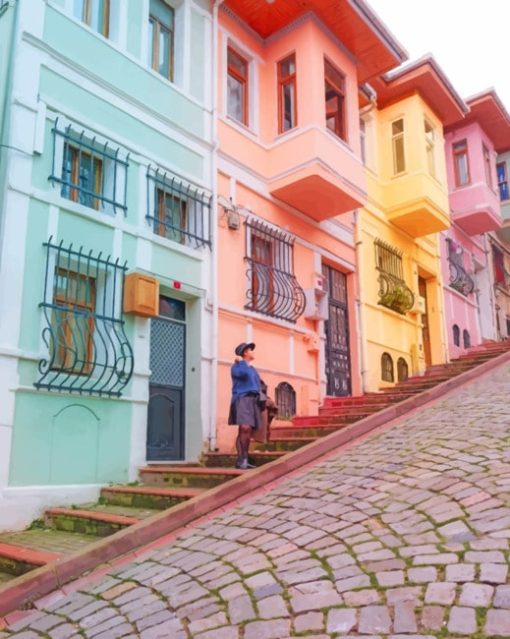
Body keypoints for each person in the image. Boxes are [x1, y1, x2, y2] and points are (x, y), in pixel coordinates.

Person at [228, 342, 262, 469]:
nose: (253, 352)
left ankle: (242, 459)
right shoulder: (238, 366)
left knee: (247, 430)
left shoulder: (252, 369)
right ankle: (243, 459)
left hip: (253, 400)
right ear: (245, 353)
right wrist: (242, 362)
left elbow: (259, 384)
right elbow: (243, 374)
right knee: (245, 428)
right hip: (242, 398)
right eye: (250, 350)